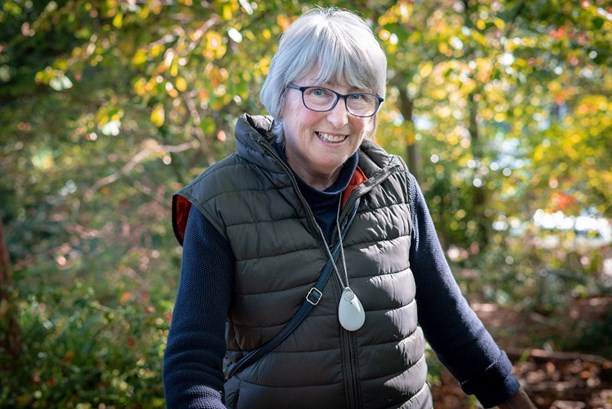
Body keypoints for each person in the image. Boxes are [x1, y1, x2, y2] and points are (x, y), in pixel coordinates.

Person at [163, 7, 537, 409]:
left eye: (358, 96)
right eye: (319, 92)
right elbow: (191, 369)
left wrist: (510, 397)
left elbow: (450, 321)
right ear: (281, 96)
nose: (339, 117)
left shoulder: (396, 188)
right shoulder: (220, 201)